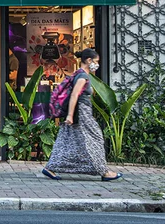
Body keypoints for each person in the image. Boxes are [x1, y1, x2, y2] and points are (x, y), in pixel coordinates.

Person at [42, 48, 122, 182]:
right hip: (82, 113)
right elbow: (74, 95)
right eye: (96, 61)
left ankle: (50, 167)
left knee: (66, 140)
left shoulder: (78, 73)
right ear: (89, 60)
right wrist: (70, 115)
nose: (97, 64)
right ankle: (104, 171)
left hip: (79, 112)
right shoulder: (83, 76)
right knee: (96, 138)